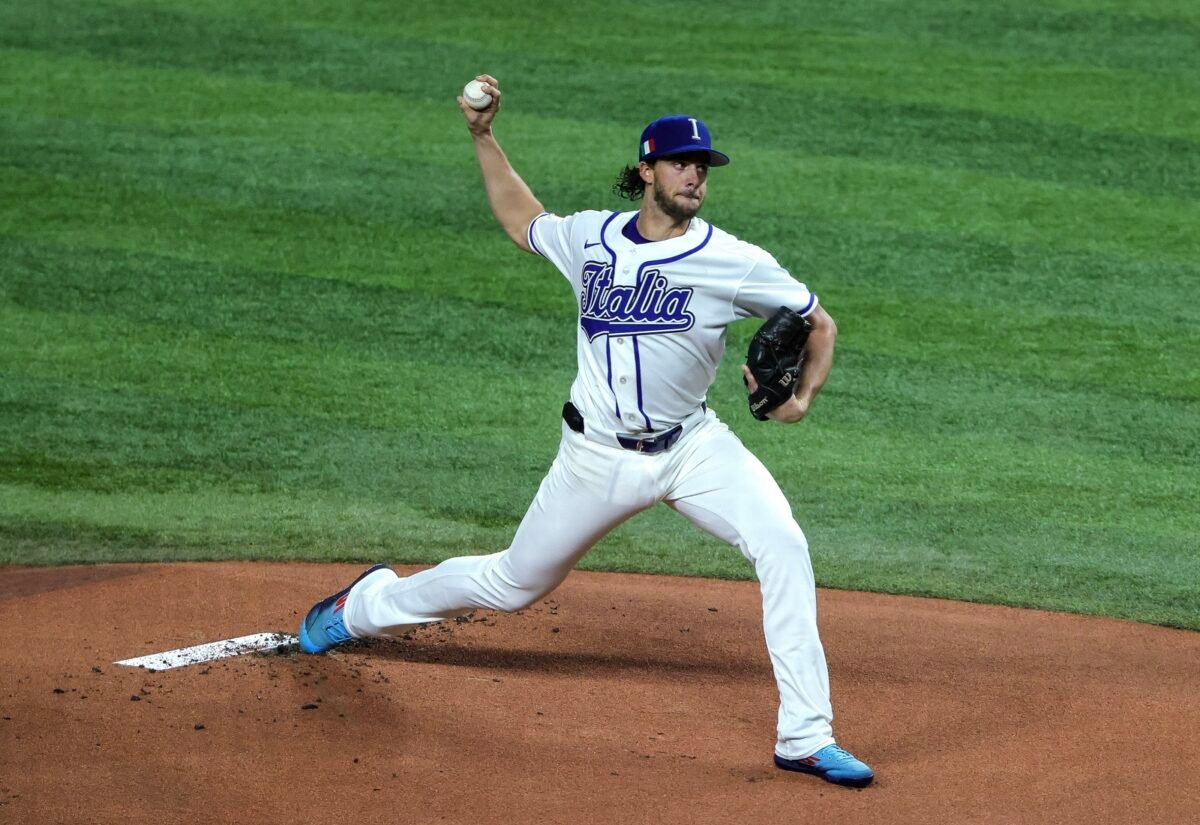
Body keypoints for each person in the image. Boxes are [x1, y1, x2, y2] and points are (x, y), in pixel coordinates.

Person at [298, 75, 874, 788]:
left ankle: (805, 736)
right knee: (512, 583)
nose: (695, 173)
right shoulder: (592, 239)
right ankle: (364, 605)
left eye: (703, 164)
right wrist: (483, 137)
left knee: (782, 541)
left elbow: (819, 321)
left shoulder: (734, 260)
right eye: (681, 161)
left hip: (694, 446)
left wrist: (801, 400)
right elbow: (523, 220)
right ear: (645, 170)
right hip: (594, 457)